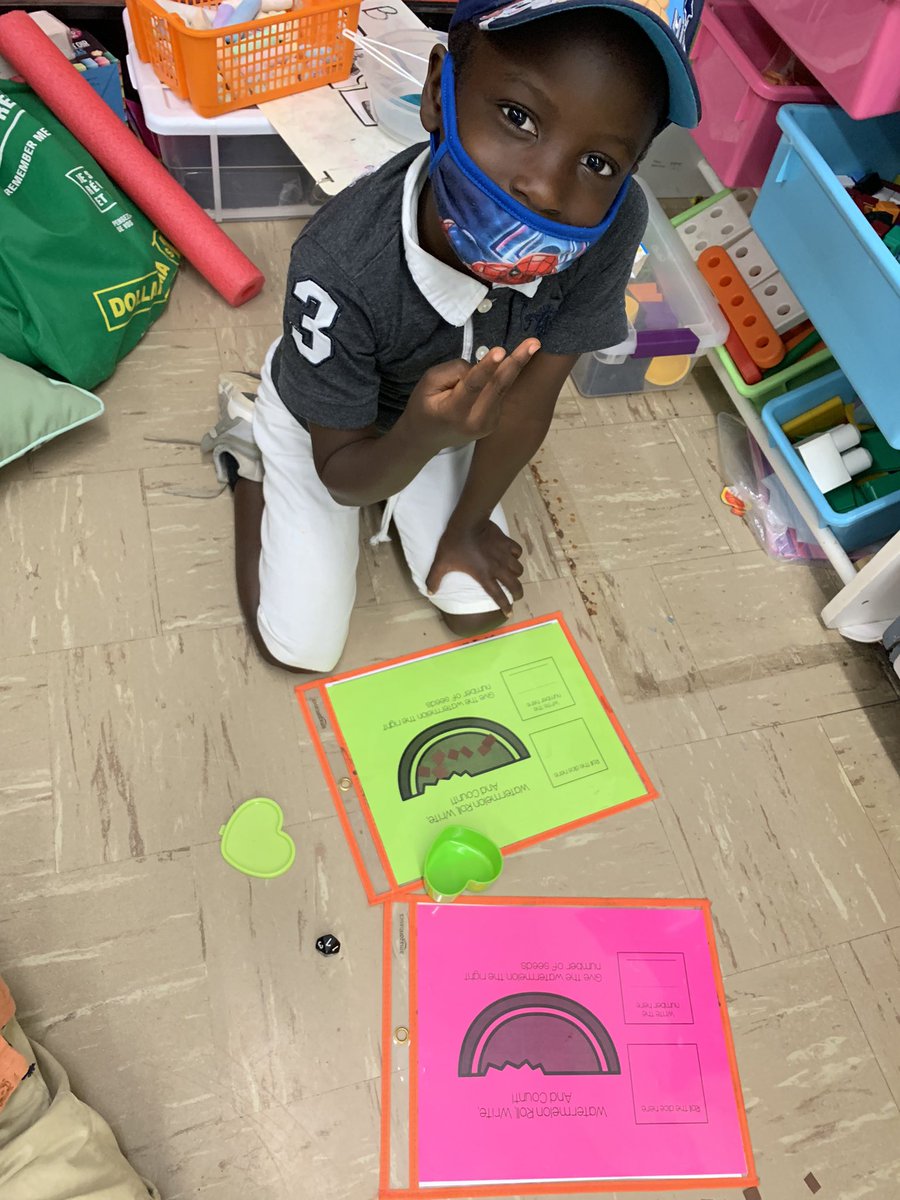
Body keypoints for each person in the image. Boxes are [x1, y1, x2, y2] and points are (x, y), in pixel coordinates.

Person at [202, 0, 703, 673]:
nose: (543, 189)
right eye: (518, 118)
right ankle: (249, 449)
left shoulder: (613, 224)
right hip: (333, 431)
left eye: (598, 162)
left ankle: (427, 482)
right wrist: (418, 439)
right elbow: (344, 476)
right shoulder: (341, 264)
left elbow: (529, 402)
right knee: (303, 648)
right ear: (439, 91)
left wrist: (466, 527)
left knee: (478, 606)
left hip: (445, 417)